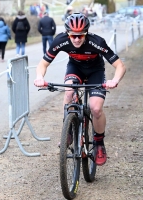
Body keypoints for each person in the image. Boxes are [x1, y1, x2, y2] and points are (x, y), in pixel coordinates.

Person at [33, 13, 126, 166]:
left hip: (95, 71)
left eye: (80, 36)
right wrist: (39, 77)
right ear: (67, 34)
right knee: (69, 91)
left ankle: (99, 143)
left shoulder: (97, 42)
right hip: (75, 68)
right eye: (73, 36)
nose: (76, 39)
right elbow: (42, 64)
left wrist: (114, 80)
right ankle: (68, 129)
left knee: (96, 109)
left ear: (86, 33)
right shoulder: (60, 40)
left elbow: (120, 65)